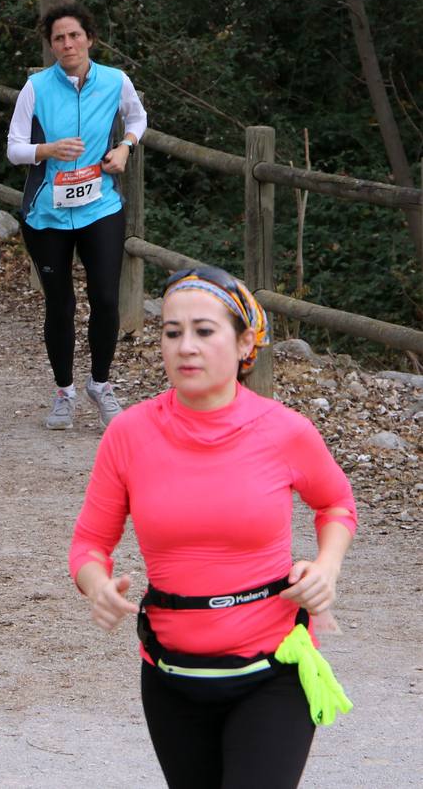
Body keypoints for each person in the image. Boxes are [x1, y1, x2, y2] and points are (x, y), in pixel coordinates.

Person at [70, 265, 357, 788]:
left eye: (205, 331)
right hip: (171, 675)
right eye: (172, 331)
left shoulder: (285, 431)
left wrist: (326, 567)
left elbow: (336, 505)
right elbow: (90, 543)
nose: (185, 347)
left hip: (274, 671)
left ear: (245, 341)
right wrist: (97, 587)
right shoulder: (129, 434)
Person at [5, 2, 147, 431]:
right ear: (51, 46)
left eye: (74, 36)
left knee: (106, 299)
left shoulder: (115, 81)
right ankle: (64, 391)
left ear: (90, 38)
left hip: (100, 205)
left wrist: (125, 146)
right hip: (47, 213)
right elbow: (13, 149)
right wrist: (47, 150)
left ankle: (100, 385)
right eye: (59, 39)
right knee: (60, 304)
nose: (67, 44)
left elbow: (138, 118)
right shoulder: (36, 87)